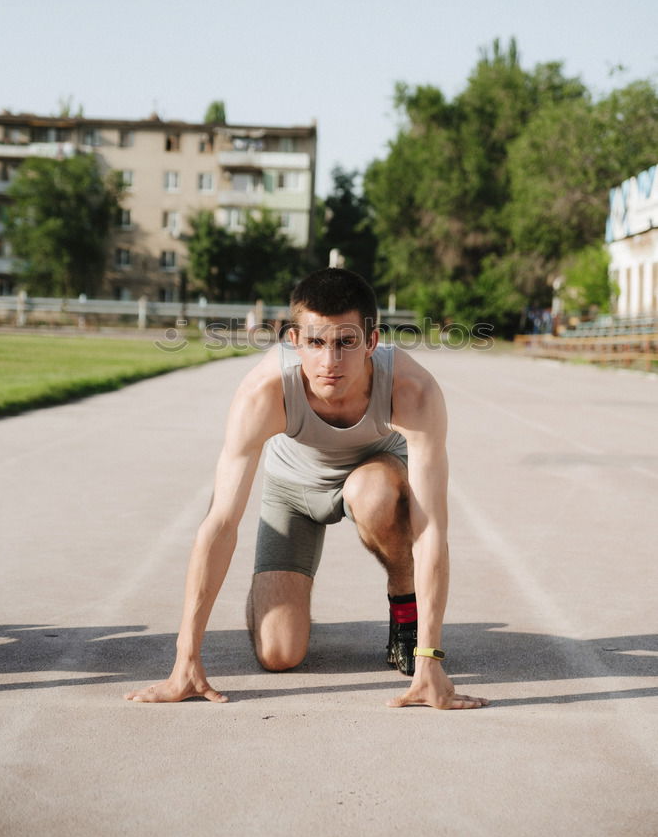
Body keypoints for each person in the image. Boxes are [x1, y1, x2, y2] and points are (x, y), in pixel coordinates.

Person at [125, 268, 488, 710]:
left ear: (372, 343)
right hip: (292, 489)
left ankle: (404, 609)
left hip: (374, 477)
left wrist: (431, 660)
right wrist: (185, 660)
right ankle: (271, 598)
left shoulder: (412, 390)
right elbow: (219, 522)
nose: (330, 362)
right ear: (294, 341)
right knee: (279, 654)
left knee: (370, 492)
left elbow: (430, 530)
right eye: (316, 343)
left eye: (346, 343)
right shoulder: (264, 392)